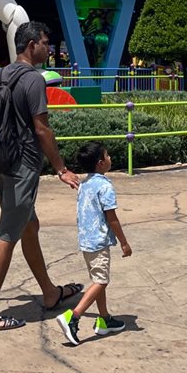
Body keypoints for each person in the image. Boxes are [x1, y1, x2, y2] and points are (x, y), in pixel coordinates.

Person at [0, 21, 82, 333]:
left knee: (29, 226)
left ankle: (50, 293)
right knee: (8, 233)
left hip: (1, 162)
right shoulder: (33, 79)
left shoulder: (2, 73)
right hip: (22, 163)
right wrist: (60, 168)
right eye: (46, 43)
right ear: (31, 44)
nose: (50, 49)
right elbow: (42, 128)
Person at [56, 142, 131, 345]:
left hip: (86, 241)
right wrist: (124, 242)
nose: (110, 158)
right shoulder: (105, 186)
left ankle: (105, 319)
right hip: (98, 242)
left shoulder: (85, 184)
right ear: (100, 163)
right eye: (107, 156)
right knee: (101, 281)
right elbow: (111, 217)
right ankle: (73, 316)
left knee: (98, 281)